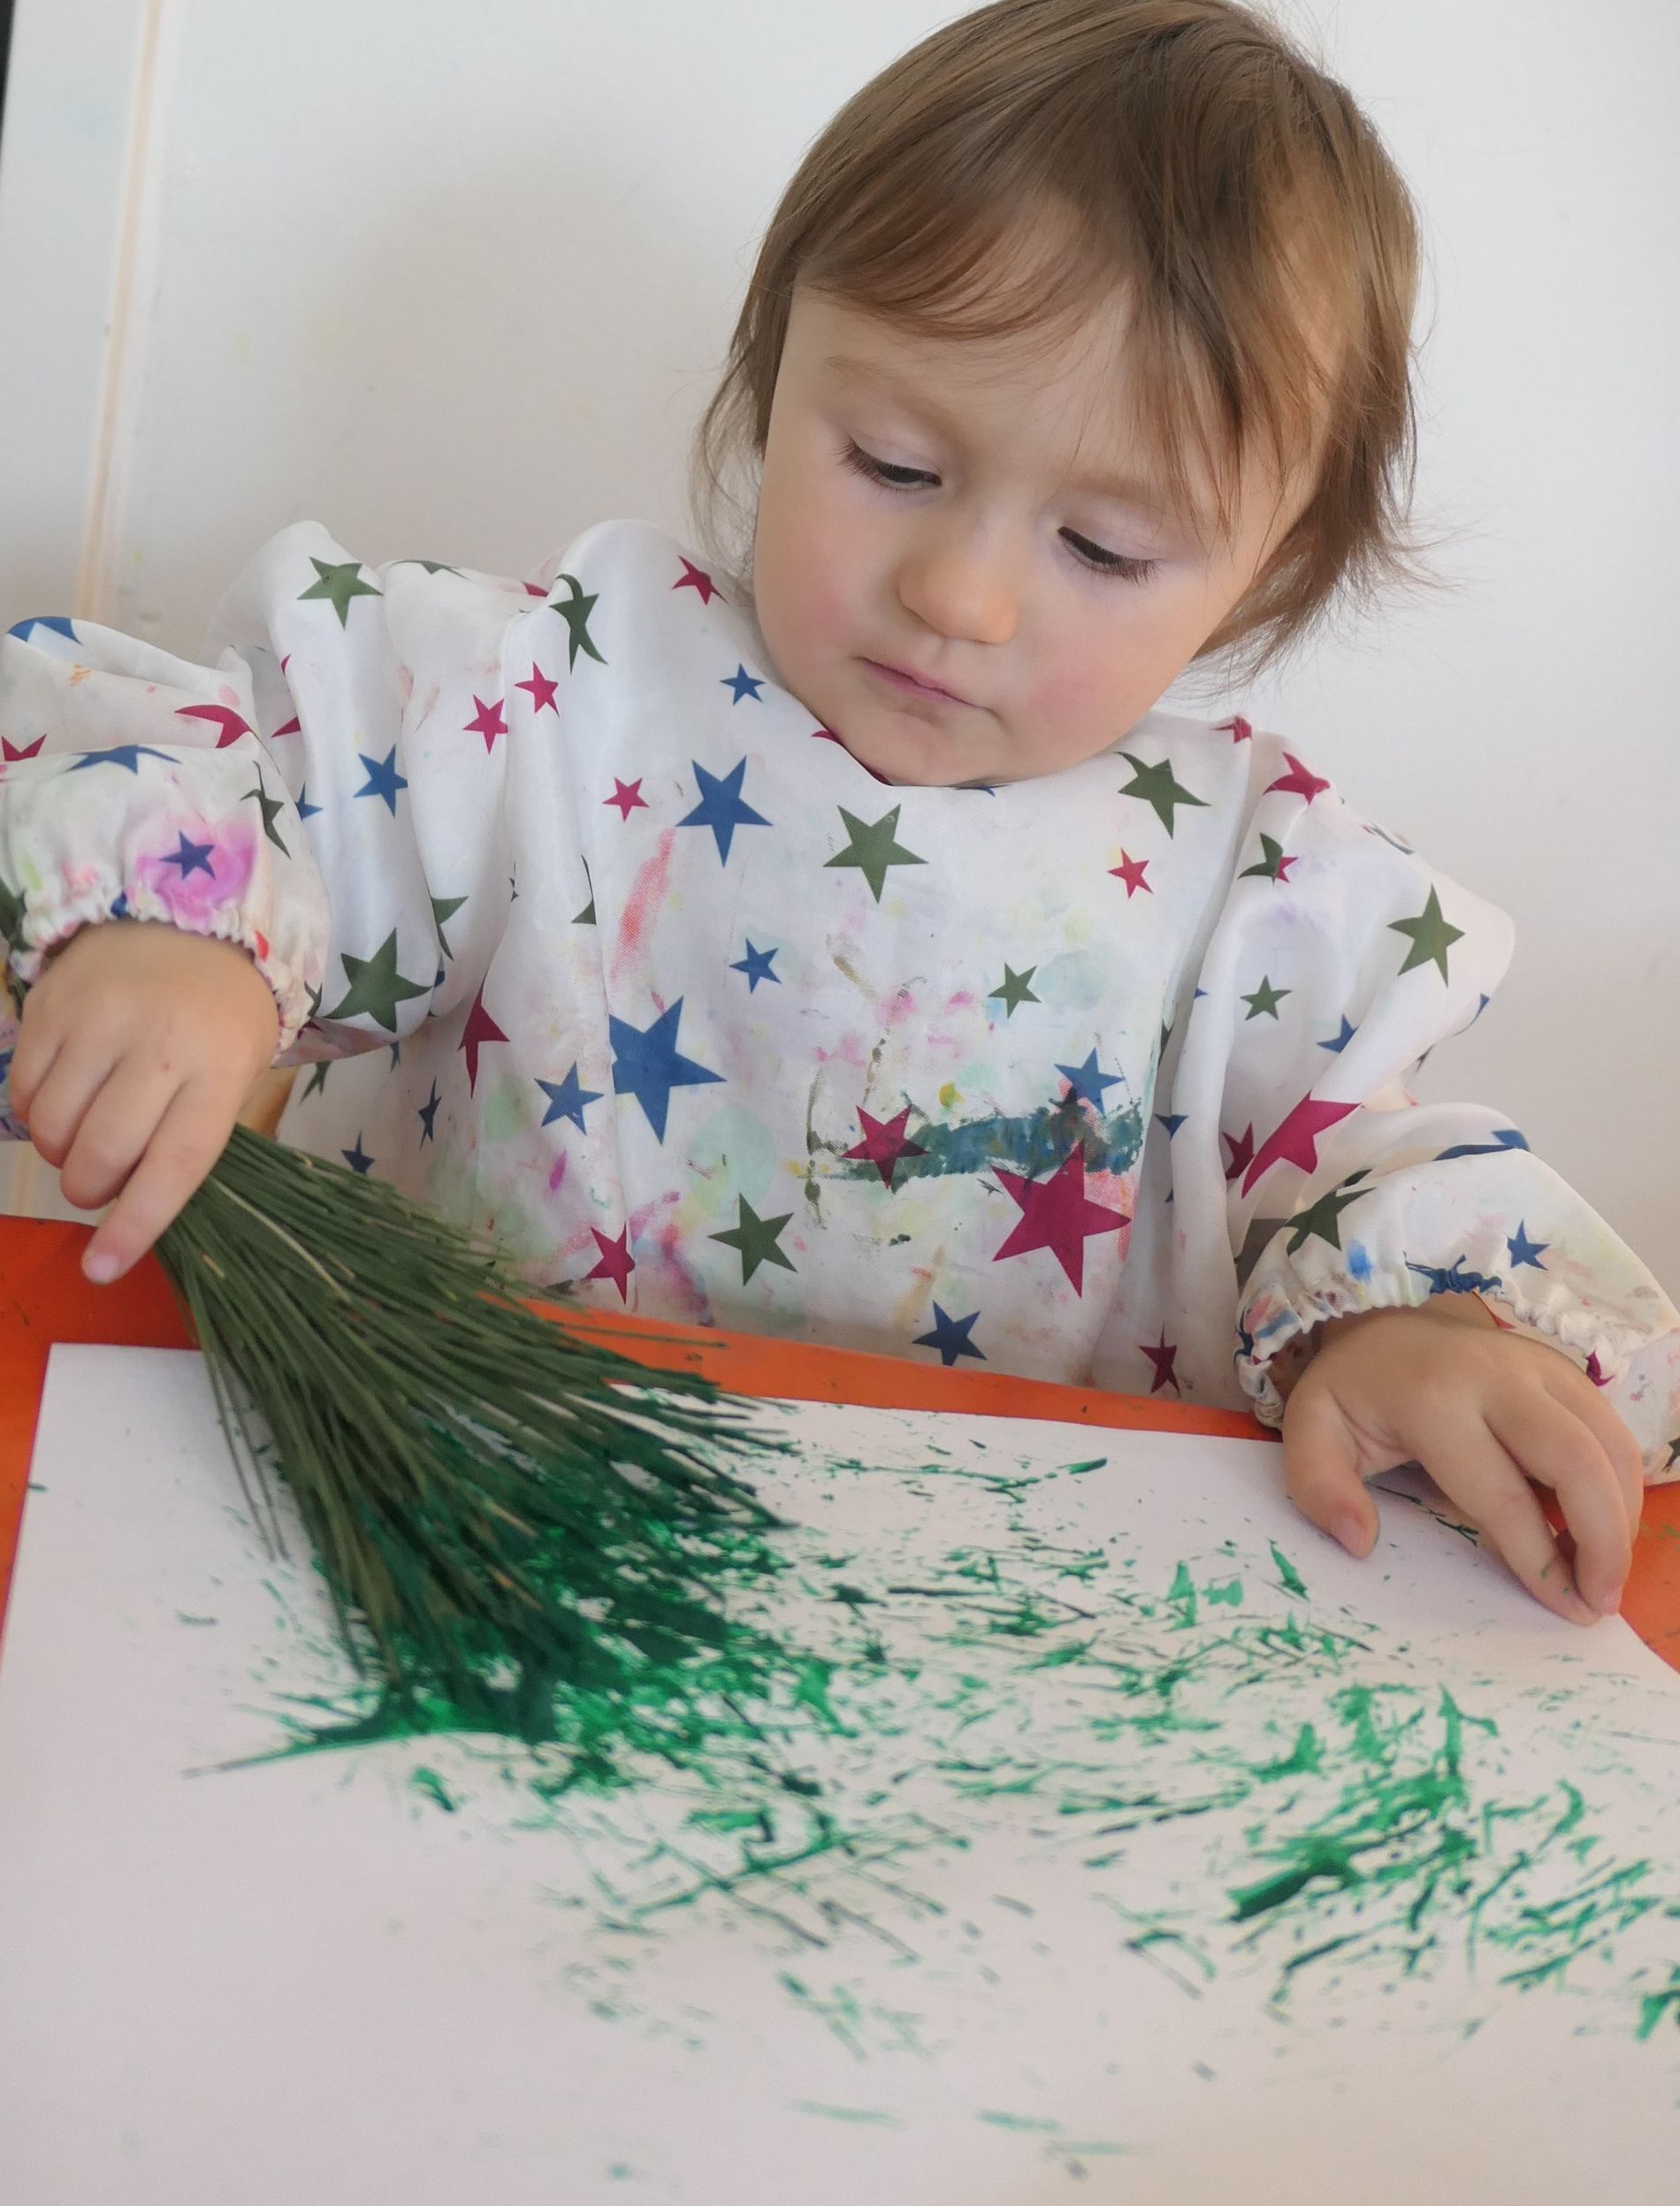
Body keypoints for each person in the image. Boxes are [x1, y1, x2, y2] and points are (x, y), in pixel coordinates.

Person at [1, 0, 1675, 1628]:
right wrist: (169, 931)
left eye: (1103, 549)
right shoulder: (550, 705)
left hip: (977, 1640)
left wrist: (1395, 1334)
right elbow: (248, 772)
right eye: (891, 463)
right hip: (456, 1528)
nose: (960, 593)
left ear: (1261, 569)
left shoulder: (1259, 901)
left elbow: (1359, 1170)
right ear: (773, 370)